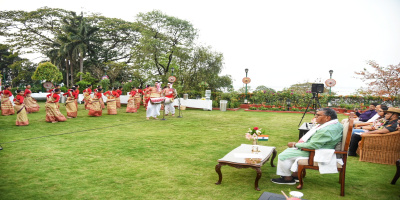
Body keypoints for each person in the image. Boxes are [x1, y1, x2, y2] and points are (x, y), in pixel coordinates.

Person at [271, 108, 343, 185]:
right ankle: (296, 176)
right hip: (323, 148)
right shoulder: (335, 124)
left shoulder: (326, 130)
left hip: (318, 152)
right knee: (289, 151)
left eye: (318, 115)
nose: (315, 117)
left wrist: (295, 144)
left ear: (327, 118)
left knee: (283, 156)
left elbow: (313, 145)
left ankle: (287, 179)